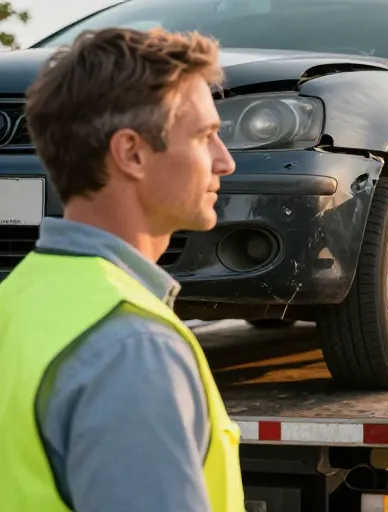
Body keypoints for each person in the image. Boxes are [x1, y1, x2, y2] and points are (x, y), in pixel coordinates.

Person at [0, 27, 242, 511]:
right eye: (206, 136)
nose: (226, 161)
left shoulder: (17, 297)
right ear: (131, 153)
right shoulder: (134, 350)